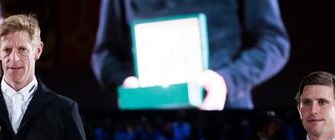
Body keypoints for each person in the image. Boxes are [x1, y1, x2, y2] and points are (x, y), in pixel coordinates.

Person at [91, 0, 290, 110]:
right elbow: (104, 53)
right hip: (149, 118)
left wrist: (227, 81)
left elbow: (274, 42)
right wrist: (125, 83)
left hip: (222, 111)